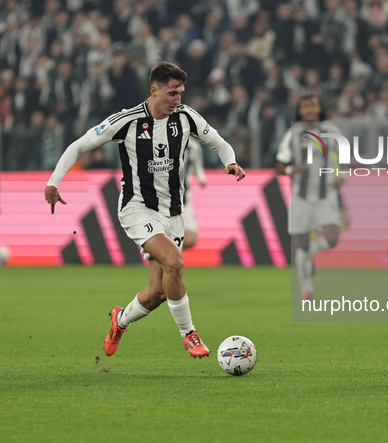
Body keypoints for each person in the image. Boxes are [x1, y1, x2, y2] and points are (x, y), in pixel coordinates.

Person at [44, 62, 246, 359]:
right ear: (154, 91)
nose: (178, 99)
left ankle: (119, 321)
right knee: (175, 263)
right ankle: (189, 334)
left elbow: (219, 143)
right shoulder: (127, 121)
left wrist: (231, 161)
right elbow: (78, 145)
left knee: (158, 291)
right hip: (137, 208)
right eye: (172, 93)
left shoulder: (187, 117)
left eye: (181, 93)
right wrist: (53, 182)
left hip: (173, 213)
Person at [276, 95, 342, 300]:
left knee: (332, 238)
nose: (310, 110)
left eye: (313, 105)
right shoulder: (292, 135)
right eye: (305, 107)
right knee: (301, 244)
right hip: (301, 197)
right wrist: (291, 169)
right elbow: (279, 166)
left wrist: (342, 176)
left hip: (325, 194)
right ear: (300, 111)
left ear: (320, 108)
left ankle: (311, 254)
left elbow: (345, 157)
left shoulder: (332, 132)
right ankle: (306, 288)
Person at [182, 138, 207, 250]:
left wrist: (201, 178)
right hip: (164, 199)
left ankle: (166, 256)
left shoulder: (193, 146)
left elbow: (197, 165)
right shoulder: (162, 140)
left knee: (191, 239)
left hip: (185, 198)